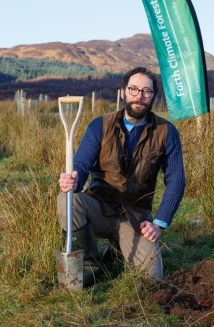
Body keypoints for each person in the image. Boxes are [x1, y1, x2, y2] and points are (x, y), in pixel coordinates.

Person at [57, 67, 185, 286]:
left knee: (152, 278)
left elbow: (176, 181)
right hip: (99, 205)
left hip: (135, 217)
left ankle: (116, 250)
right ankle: (91, 263)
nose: (139, 96)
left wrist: (159, 224)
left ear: (154, 96)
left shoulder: (167, 132)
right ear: (123, 92)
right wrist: (74, 181)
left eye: (146, 91)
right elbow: (81, 164)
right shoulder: (100, 125)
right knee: (67, 200)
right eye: (133, 89)